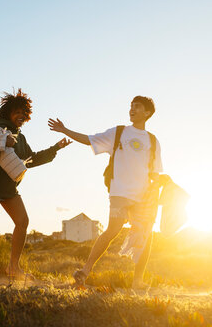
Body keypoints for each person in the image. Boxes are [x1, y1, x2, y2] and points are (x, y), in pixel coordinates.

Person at [48, 96, 162, 289]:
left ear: (147, 113)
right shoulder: (118, 133)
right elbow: (89, 139)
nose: (132, 109)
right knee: (112, 230)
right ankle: (84, 271)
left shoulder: (152, 140)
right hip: (120, 193)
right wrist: (65, 130)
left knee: (146, 235)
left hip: (143, 197)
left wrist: (157, 193)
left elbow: (155, 172)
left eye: (137, 107)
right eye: (131, 106)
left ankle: (137, 281)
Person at [0, 89, 71, 279]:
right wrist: (5, 141)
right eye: (17, 112)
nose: (21, 116)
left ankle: (13, 268)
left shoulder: (21, 137)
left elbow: (32, 159)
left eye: (24, 113)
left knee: (22, 222)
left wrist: (56, 147)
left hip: (9, 188)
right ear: (8, 112)